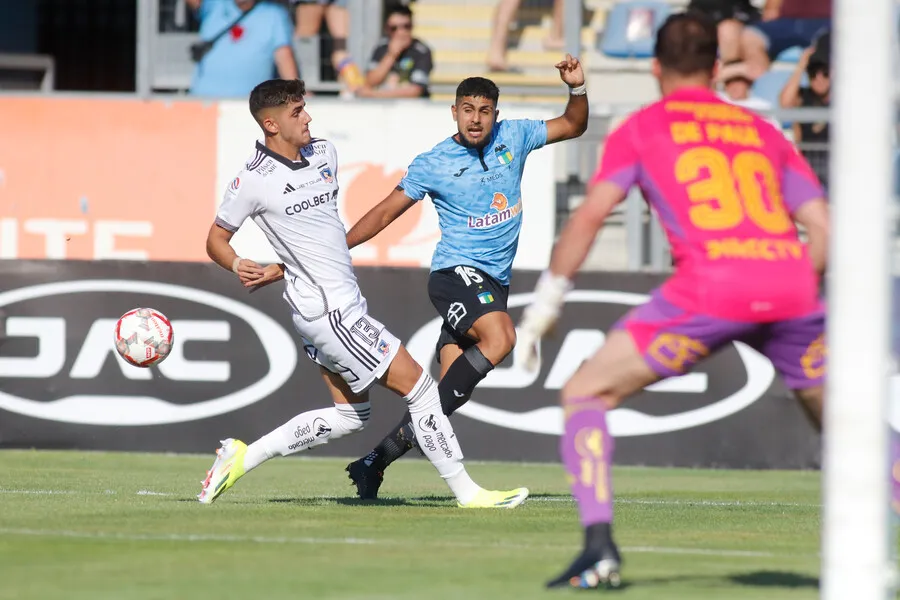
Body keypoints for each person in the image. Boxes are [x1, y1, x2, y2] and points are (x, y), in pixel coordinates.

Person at [515, 13, 828, 589]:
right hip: (791, 286)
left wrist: (545, 305)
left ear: (656, 68)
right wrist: (791, 291)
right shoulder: (762, 131)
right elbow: (823, 226)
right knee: (849, 427)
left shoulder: (643, 127)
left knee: (585, 392)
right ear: (717, 67)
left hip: (709, 290)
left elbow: (589, 216)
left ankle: (599, 551)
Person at [198, 78, 527, 510]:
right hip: (331, 313)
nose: (308, 117)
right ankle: (469, 493)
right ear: (271, 124)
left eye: (304, 107)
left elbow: (321, 236)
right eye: (297, 112)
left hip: (330, 308)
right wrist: (235, 262)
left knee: (351, 416)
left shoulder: (324, 153)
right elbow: (216, 240)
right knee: (423, 391)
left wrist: (284, 266)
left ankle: (242, 457)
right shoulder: (253, 180)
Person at [342, 56, 589, 500]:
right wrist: (338, 248)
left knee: (447, 398)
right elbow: (384, 212)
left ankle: (373, 463)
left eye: (485, 111)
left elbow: (573, 124)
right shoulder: (434, 162)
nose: (476, 119)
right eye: (468, 110)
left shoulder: (515, 136)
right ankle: (448, 477)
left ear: (496, 113)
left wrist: (577, 88)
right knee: (502, 338)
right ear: (454, 112)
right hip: (454, 274)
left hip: (494, 283)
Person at [187, 0, 299, 98]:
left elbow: (284, 58)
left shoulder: (274, 14)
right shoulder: (214, 5)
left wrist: (295, 93)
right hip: (202, 102)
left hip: (249, 106)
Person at [359, 4, 433, 99]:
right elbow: (370, 82)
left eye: (406, 26)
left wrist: (374, 94)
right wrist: (391, 55)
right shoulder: (381, 48)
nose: (400, 32)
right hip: (382, 106)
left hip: (411, 107)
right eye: (394, 28)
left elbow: (415, 91)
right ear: (387, 29)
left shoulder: (421, 51)